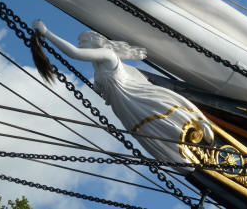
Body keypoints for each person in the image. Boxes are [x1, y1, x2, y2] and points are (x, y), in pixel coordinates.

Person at [32, 19, 214, 174]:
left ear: (95, 43)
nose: (81, 46)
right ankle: (183, 156)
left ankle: (193, 145)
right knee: (150, 134)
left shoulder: (108, 55)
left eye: (83, 42)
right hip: (125, 109)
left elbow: (74, 53)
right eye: (80, 43)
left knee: (163, 124)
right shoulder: (98, 71)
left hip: (136, 98)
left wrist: (46, 32)